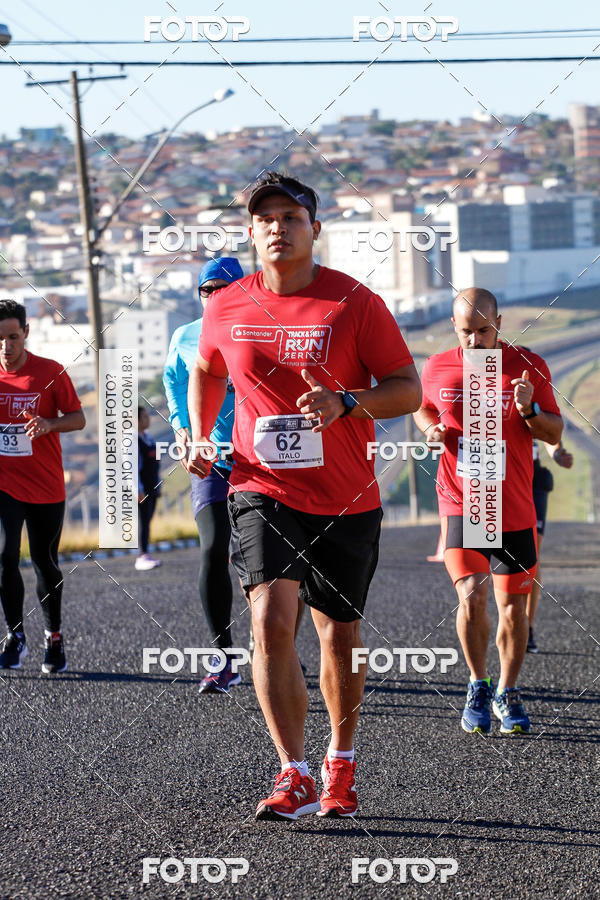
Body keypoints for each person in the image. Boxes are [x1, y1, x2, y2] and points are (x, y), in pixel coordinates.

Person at [187, 171, 421, 820]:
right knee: (268, 620)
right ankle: (292, 770)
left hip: (345, 496)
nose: (277, 228)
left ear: (314, 229)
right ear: (252, 231)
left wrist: (349, 402)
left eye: (291, 217)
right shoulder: (226, 305)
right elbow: (207, 369)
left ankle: (339, 759)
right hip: (263, 487)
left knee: (338, 640)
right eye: (265, 218)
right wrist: (200, 432)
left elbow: (407, 389)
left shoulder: (353, 303)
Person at [414, 288, 563, 735]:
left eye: (484, 331)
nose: (475, 341)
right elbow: (421, 407)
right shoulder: (438, 365)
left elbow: (553, 430)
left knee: (513, 612)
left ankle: (508, 689)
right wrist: (431, 428)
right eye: (466, 333)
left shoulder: (529, 365)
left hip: (513, 504)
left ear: (499, 323)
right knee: (472, 598)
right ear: (454, 329)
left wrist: (529, 410)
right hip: (461, 499)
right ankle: (479, 682)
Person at [163, 257, 245, 693]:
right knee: (213, 548)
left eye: (221, 288)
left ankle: (273, 648)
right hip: (210, 459)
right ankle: (223, 657)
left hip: (261, 460)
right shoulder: (184, 336)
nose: (213, 296)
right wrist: (183, 430)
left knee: (262, 564)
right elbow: (174, 384)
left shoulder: (257, 328)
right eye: (206, 289)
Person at [0, 299, 85, 673]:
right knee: (4, 555)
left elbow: (79, 418)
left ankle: (54, 635)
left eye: (13, 336)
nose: (6, 345)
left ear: (26, 333)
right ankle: (15, 637)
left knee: (44, 563)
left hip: (46, 486)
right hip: (4, 484)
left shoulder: (49, 372)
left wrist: (49, 425)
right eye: (0, 338)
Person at [526, 437, 573, 652]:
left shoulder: (529, 400)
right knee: (485, 556)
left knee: (530, 555)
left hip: (531, 480)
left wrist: (557, 452)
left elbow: (546, 429)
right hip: (489, 480)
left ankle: (526, 627)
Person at [136, 405, 162, 571]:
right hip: (142, 489)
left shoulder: (149, 438)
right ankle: (142, 556)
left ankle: (145, 553)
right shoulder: (132, 440)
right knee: (143, 521)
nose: (148, 419)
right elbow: (130, 467)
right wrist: (137, 489)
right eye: (144, 416)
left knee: (148, 521)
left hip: (152, 487)